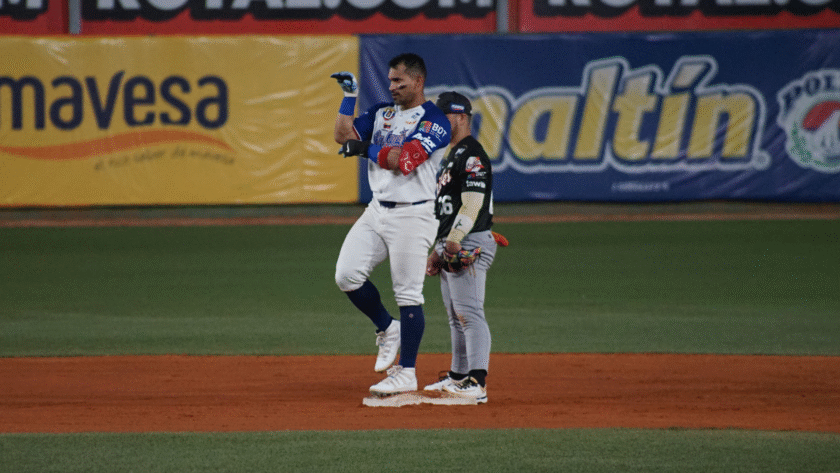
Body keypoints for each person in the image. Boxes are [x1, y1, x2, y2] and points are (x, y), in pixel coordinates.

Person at [330, 53, 452, 396]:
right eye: (390, 80)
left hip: (414, 214)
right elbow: (343, 136)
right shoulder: (382, 113)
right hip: (377, 209)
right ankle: (387, 328)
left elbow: (406, 161)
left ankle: (408, 372)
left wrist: (364, 148)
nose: (392, 86)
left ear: (419, 82)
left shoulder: (434, 121)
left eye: (400, 81)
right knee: (347, 274)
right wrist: (349, 97)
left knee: (409, 294)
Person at [424, 91, 500, 404]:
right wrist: (437, 247)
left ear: (462, 117)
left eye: (445, 116)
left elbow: (472, 202)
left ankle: (477, 383)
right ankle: (458, 376)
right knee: (456, 316)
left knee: (469, 313)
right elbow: (445, 206)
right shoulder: (452, 154)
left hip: (468, 239)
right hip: (450, 241)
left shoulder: (472, 154)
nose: (440, 122)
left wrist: (454, 239)